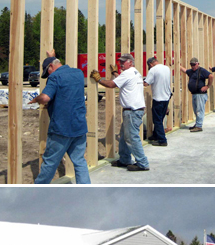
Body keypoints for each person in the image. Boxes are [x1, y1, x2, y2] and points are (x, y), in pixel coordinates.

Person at [32, 49, 90, 184]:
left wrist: (36, 99)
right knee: (80, 161)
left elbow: (46, 97)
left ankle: (37, 190)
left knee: (50, 162)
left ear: (51, 67)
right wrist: (52, 58)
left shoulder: (55, 77)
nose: (49, 75)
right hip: (79, 126)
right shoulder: (78, 73)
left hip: (61, 128)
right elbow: (61, 72)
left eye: (48, 71)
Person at [92, 54, 149, 171]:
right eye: (120, 62)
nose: (121, 64)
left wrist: (99, 79)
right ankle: (124, 159)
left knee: (131, 137)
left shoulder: (127, 73)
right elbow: (122, 80)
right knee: (124, 136)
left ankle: (142, 163)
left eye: (123, 62)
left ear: (130, 62)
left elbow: (112, 84)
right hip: (134, 110)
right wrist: (115, 73)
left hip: (132, 111)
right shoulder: (135, 72)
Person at [143, 56, 172, 147]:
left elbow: (146, 83)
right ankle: (156, 135)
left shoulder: (153, 70)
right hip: (166, 97)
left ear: (151, 64)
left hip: (158, 98)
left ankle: (162, 140)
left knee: (157, 120)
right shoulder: (167, 68)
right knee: (161, 117)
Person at [179, 57, 213, 132]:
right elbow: (185, 70)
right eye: (191, 65)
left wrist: (207, 86)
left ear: (198, 64)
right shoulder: (191, 71)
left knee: (199, 110)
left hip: (200, 94)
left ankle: (199, 126)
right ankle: (197, 124)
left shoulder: (202, 71)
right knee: (196, 110)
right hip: (194, 94)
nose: (193, 66)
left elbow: (211, 76)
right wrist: (178, 65)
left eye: (194, 64)